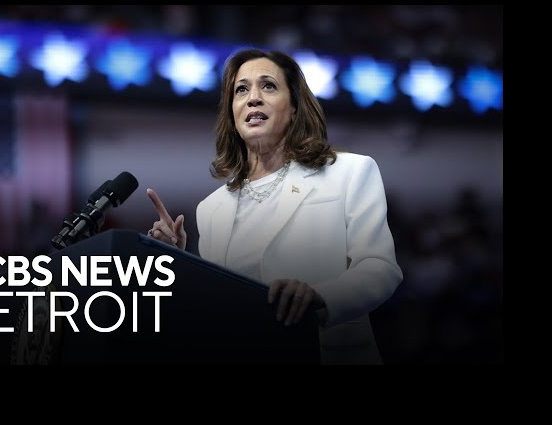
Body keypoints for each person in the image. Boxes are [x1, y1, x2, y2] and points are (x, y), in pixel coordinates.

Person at [146, 48, 403, 365]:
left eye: (268, 85)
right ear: (233, 113)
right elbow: (218, 307)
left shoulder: (350, 172)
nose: (253, 98)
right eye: (242, 89)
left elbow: (381, 270)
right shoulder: (211, 209)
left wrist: (320, 297)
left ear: (294, 107)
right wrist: (178, 261)